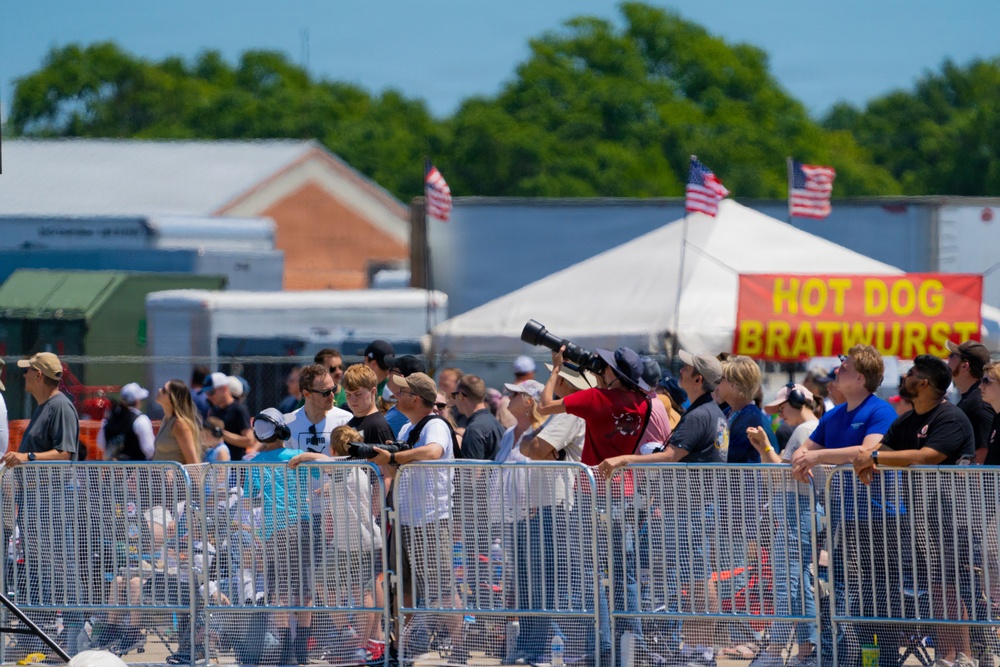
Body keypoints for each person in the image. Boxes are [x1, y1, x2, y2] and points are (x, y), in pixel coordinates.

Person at [599, 350, 726, 667]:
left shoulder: (700, 414)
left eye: (686, 368)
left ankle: (700, 650)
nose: (680, 370)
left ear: (698, 378)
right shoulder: (709, 412)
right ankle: (696, 648)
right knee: (697, 578)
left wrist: (625, 459)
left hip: (689, 508)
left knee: (698, 579)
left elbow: (671, 456)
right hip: (693, 507)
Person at [852, 354, 977, 667]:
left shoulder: (949, 417)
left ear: (923, 383)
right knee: (937, 587)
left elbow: (927, 456)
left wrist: (873, 459)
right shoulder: (907, 420)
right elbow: (883, 449)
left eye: (911, 373)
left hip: (953, 516)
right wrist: (867, 459)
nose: (904, 376)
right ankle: (948, 656)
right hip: (921, 518)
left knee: (949, 587)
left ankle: (962, 657)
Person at [539, 345, 653, 666]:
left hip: (592, 493)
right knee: (625, 574)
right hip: (625, 493)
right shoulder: (644, 403)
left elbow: (544, 406)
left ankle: (603, 645)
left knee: (592, 573)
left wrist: (556, 370)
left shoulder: (595, 399)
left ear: (612, 373)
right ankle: (632, 643)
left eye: (604, 366)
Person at [790, 345, 899, 667]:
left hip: (878, 519)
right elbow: (803, 451)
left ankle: (885, 662)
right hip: (843, 519)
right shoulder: (834, 415)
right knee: (844, 594)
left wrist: (817, 457)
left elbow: (867, 452)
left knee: (879, 598)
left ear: (860, 378)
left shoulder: (880, 411)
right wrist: (803, 460)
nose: (838, 370)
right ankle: (849, 659)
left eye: (845, 367)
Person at [370, 372, 465, 662]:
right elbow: (393, 469)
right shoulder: (405, 430)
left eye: (402, 392)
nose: (396, 396)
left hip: (431, 519)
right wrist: (382, 457)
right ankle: (404, 649)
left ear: (415, 398)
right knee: (404, 589)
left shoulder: (435, 424)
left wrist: (395, 457)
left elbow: (434, 452)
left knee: (442, 590)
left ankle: (460, 648)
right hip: (405, 519)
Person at [2, 352, 82, 655]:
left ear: (38, 375)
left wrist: (27, 457)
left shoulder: (60, 406)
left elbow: (65, 453)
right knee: (39, 572)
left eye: (27, 371)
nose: (22, 376)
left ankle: (70, 641)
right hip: (37, 502)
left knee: (59, 570)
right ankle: (39, 640)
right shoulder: (44, 407)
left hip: (52, 502)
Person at [747, 384, 822, 667]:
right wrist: (764, 448)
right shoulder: (809, 429)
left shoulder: (805, 430)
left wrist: (766, 445)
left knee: (787, 584)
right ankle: (806, 653)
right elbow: (779, 473)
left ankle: (775, 650)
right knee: (798, 585)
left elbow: (780, 475)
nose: (780, 413)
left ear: (799, 401)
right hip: (798, 511)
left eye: (782, 406)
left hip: (796, 512)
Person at [245, 407, 311, 665]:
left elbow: (250, 497)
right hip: (302, 526)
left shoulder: (255, 463)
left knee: (280, 591)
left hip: (274, 530)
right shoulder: (297, 456)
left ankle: (286, 650)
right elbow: (323, 468)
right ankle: (301, 649)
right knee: (304, 590)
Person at [284, 364, 354, 453]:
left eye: (333, 389)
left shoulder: (345, 420)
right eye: (326, 393)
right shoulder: (290, 423)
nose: (332, 396)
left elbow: (353, 459)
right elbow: (288, 458)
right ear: (307, 394)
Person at [946, 339, 995, 463]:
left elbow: (983, 450)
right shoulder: (971, 399)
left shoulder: (978, 402)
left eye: (952, 355)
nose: (948, 359)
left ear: (965, 366)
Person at [203, 372, 255, 461]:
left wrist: (222, 434)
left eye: (211, 392)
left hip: (235, 465)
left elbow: (249, 441)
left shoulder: (239, 409)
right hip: (216, 463)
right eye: (206, 393)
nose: (208, 396)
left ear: (224, 388)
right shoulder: (214, 410)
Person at [98, 382, 155, 461]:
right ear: (137, 401)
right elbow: (149, 450)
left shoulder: (109, 419)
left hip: (112, 467)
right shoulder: (141, 419)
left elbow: (101, 443)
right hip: (137, 467)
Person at [453, 375, 505, 461]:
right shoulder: (496, 423)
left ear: (460, 396)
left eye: (454, 395)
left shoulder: (474, 429)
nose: (454, 400)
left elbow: (471, 468)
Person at [343, 363, 395, 446]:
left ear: (373, 392)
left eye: (358, 394)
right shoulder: (349, 424)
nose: (352, 399)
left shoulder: (378, 427)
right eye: (348, 394)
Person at [152, 379, 202, 465]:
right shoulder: (166, 420)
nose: (159, 390)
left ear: (173, 399)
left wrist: (174, 471)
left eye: (164, 390)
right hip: (157, 473)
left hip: (173, 474)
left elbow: (193, 464)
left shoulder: (180, 424)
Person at [383, 355, 426, 437]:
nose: (388, 373)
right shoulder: (404, 406)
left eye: (391, 370)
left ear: (401, 377)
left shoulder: (405, 411)